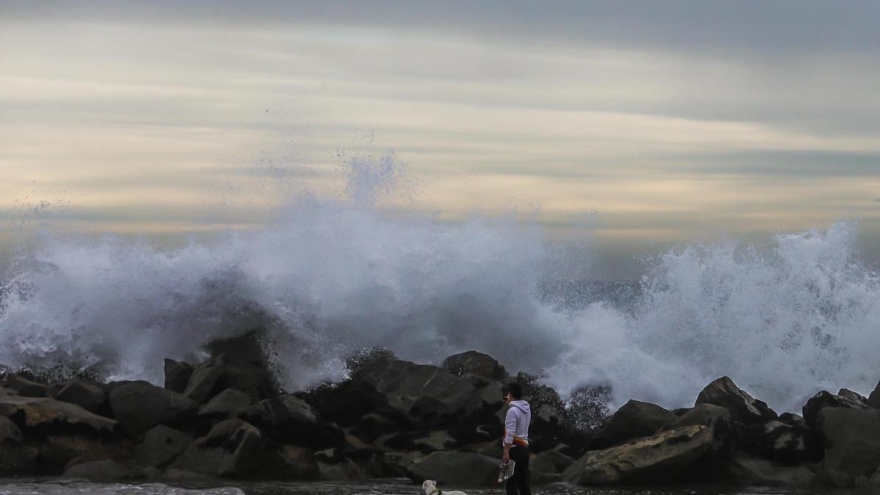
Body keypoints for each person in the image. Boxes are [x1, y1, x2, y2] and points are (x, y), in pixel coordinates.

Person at [501, 382, 531, 495]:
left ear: (511, 394)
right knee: (524, 484)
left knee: (510, 484)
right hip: (524, 449)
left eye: (508, 394)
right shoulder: (526, 409)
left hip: (514, 450)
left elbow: (510, 433)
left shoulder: (512, 411)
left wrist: (506, 451)